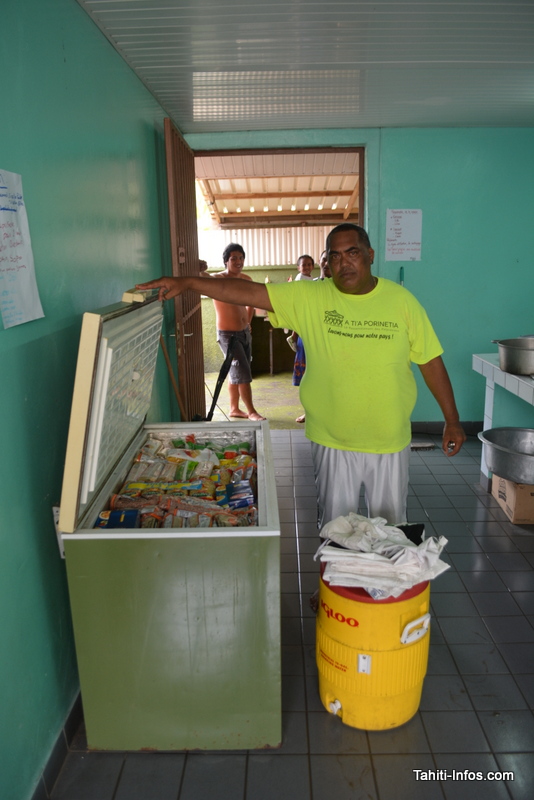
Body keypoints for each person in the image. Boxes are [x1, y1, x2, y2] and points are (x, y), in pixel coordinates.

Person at [136, 223, 465, 527]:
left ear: (370, 255)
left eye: (352, 252)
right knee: (335, 529)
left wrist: (451, 420)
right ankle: (331, 574)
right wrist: (189, 283)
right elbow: (244, 292)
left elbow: (431, 362)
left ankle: (385, 573)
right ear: (328, 262)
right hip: (332, 439)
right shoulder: (311, 296)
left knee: (390, 529)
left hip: (389, 437)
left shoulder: (402, 302)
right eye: (335, 256)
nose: (344, 263)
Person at [208, 242, 265, 421]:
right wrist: (199, 268)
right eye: (234, 258)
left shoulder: (246, 279)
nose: (238, 261)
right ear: (226, 261)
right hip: (228, 336)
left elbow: (252, 302)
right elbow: (203, 277)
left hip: (244, 333)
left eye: (241, 258)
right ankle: (251, 411)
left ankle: (234, 409)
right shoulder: (218, 278)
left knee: (237, 372)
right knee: (243, 373)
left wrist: (247, 322)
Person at [291, 255, 315, 423]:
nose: (306, 267)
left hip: (314, 333)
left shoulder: (314, 282)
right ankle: (308, 411)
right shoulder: (300, 281)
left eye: (309, 264)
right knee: (307, 376)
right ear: (298, 268)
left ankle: (313, 411)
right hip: (304, 332)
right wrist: (294, 333)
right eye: (303, 265)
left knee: (314, 375)